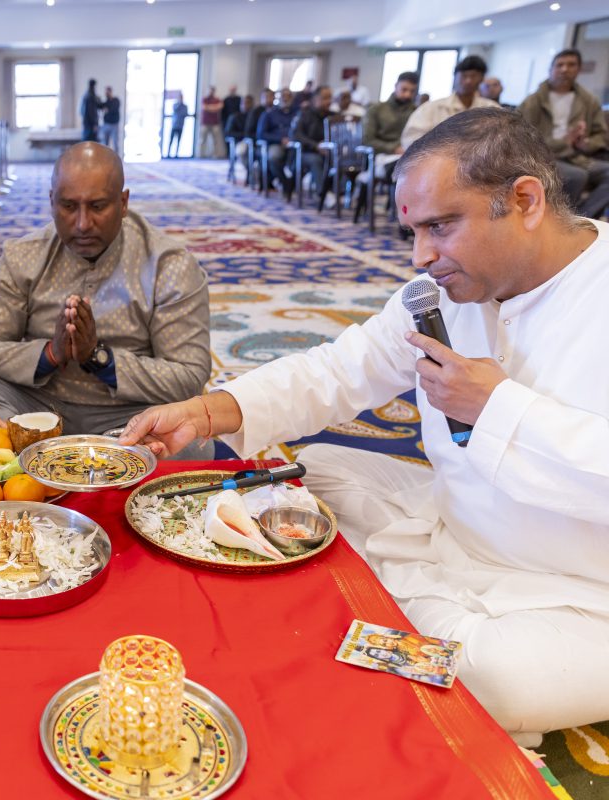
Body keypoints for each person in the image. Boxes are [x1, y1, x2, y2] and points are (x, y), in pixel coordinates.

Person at [121, 107, 609, 746]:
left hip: (579, 587)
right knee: (312, 470)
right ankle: (414, 610)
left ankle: (404, 608)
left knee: (493, 677)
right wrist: (206, 411)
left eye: (440, 226)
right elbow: (339, 369)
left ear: (524, 200)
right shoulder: (446, 293)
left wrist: (500, 408)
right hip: (454, 518)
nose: (421, 256)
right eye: (414, 230)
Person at [0, 142, 211, 439]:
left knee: (185, 439)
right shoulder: (24, 256)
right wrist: (51, 353)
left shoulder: (169, 265)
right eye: (69, 206)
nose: (83, 224)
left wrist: (99, 358)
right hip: (35, 406)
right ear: (52, 202)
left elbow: (189, 375)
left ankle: (35, 456)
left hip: (131, 415)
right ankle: (57, 453)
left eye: (98, 206)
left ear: (123, 203)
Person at [518, 49, 609, 221]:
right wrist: (563, 142)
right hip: (546, 156)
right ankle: (560, 219)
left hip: (579, 157)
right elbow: (523, 136)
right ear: (551, 69)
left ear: (579, 69)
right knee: (577, 176)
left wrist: (586, 143)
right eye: (560, 65)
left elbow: (601, 135)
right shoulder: (533, 101)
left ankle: (582, 217)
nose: (565, 69)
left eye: (571, 65)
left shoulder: (589, 101)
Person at [400, 55, 498, 149]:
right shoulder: (431, 108)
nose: (468, 81)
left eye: (474, 76)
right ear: (455, 77)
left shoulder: (492, 109)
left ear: (481, 79)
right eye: (464, 76)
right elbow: (410, 139)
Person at [288, 85, 332, 202]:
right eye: (325, 98)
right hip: (305, 152)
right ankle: (322, 193)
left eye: (330, 98)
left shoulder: (332, 116)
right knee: (315, 160)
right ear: (315, 99)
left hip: (327, 152)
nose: (329, 101)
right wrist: (316, 146)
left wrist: (327, 145)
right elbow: (297, 135)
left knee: (341, 160)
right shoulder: (304, 114)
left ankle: (341, 191)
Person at [363, 72, 419, 159]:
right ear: (396, 86)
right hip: (382, 156)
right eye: (404, 89)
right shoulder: (376, 109)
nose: (407, 95)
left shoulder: (416, 111)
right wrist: (394, 148)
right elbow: (367, 140)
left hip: (409, 155)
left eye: (412, 91)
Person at [255, 88, 297, 193]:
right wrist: (280, 140)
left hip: (294, 144)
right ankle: (286, 184)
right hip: (275, 144)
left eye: (288, 96)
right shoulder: (269, 114)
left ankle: (291, 183)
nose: (286, 99)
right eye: (284, 96)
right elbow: (261, 134)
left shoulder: (296, 113)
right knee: (273, 156)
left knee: (305, 158)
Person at [199, 86, 224, 159]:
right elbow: (205, 108)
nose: (210, 92)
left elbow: (219, 107)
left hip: (215, 123)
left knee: (215, 141)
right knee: (202, 140)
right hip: (205, 123)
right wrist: (214, 107)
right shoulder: (204, 99)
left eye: (212, 91)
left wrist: (209, 107)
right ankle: (201, 154)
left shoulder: (217, 99)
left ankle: (215, 155)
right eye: (209, 91)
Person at [100, 87, 121, 154]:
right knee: (104, 145)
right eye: (105, 92)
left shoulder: (116, 100)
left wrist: (107, 109)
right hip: (106, 125)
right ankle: (105, 161)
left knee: (115, 144)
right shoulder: (106, 102)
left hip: (114, 125)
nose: (106, 94)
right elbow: (100, 106)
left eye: (107, 92)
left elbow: (114, 109)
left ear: (110, 92)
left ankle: (117, 162)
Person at [167, 93, 188, 158]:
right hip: (174, 125)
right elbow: (175, 110)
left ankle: (176, 154)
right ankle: (168, 153)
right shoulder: (175, 105)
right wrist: (179, 104)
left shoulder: (185, 106)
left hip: (181, 125)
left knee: (178, 141)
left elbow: (184, 114)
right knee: (171, 140)